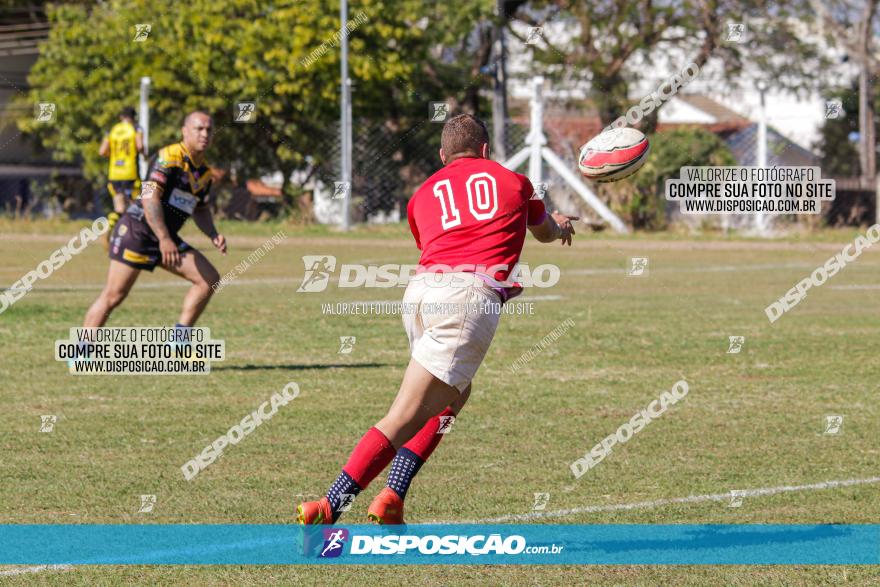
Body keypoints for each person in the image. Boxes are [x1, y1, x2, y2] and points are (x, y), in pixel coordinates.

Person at [297, 114, 576, 525]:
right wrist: (560, 225)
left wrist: (493, 282)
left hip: (420, 296)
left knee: (453, 395)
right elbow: (543, 231)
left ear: (443, 155)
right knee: (405, 413)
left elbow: (445, 247)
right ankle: (330, 503)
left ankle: (392, 497)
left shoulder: (421, 195)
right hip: (464, 300)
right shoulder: (516, 182)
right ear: (485, 150)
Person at [82, 110, 226, 331]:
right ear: (184, 131)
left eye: (209, 129)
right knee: (114, 296)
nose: (205, 134)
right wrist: (164, 238)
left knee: (209, 279)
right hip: (137, 232)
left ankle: (178, 340)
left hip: (165, 238)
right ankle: (81, 351)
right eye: (199, 129)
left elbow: (201, 209)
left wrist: (213, 234)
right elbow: (149, 197)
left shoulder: (205, 174)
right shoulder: (166, 158)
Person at [98, 107, 144, 239]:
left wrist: (113, 156)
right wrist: (144, 154)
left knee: (119, 208)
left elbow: (102, 151)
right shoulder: (136, 129)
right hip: (131, 173)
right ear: (134, 117)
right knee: (141, 203)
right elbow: (140, 146)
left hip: (114, 174)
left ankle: (109, 228)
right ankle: (136, 235)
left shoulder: (112, 130)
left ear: (120, 117)